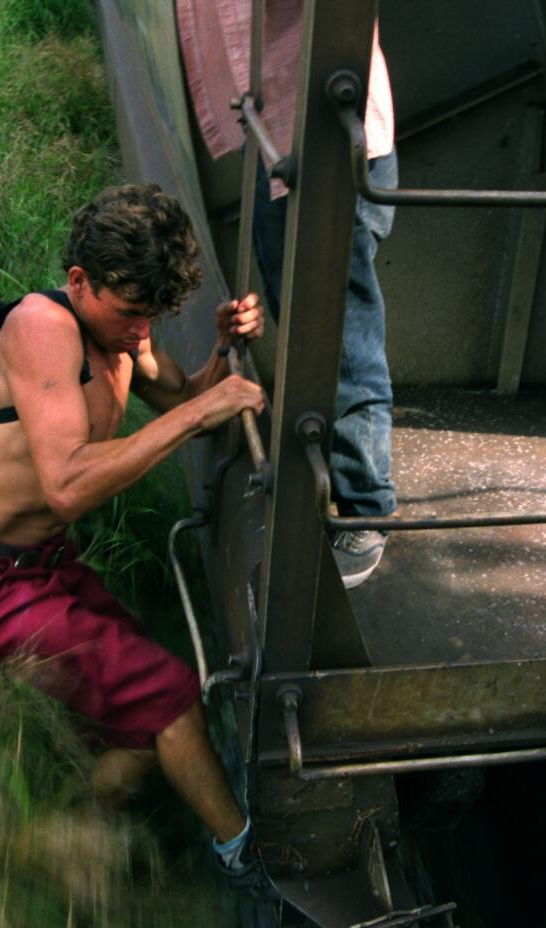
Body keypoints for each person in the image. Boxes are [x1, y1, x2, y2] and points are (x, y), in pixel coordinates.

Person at [0, 183, 267, 889]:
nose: (142, 332)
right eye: (133, 313)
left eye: (154, 316)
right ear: (79, 281)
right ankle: (251, 863)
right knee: (167, 693)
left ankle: (37, 857)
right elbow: (68, 482)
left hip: (36, 567)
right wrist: (201, 416)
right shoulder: (42, 327)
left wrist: (225, 351)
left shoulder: (120, 333)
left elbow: (185, 399)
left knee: (137, 733)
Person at [177, 1, 398, 587]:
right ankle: (327, 481)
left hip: (326, 135)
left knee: (341, 330)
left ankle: (365, 506)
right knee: (299, 313)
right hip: (276, 131)